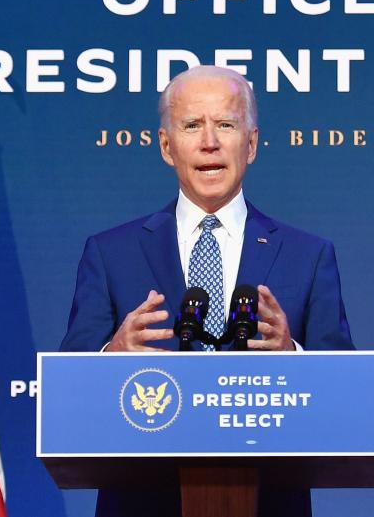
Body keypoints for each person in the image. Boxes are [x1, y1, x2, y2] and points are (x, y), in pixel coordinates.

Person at [61, 65, 354, 516]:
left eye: (225, 124)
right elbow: (67, 396)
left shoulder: (308, 256)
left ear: (251, 144)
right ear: (166, 146)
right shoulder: (110, 253)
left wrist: (293, 358)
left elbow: (348, 400)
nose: (209, 142)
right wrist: (111, 358)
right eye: (192, 125)